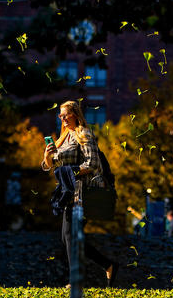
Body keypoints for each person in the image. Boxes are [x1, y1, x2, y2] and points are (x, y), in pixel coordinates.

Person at [41, 100, 119, 287]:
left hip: (82, 193)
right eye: (60, 115)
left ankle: (76, 279)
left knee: (70, 234)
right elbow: (48, 166)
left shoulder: (83, 134)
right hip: (68, 192)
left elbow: (92, 163)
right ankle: (108, 265)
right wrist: (47, 156)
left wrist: (70, 172)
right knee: (68, 236)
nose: (63, 118)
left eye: (66, 114)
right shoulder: (62, 138)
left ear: (75, 114)